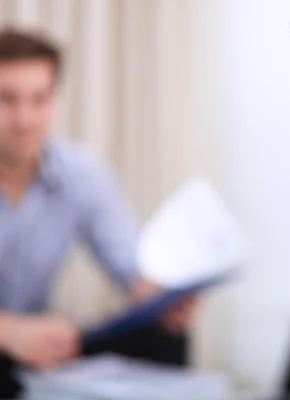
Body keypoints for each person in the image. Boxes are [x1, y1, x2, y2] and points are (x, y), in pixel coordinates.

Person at [0, 29, 198, 396]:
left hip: (35, 350)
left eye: (39, 99)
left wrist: (161, 298)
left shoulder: (81, 174)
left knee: (163, 332)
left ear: (55, 100)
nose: (25, 118)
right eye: (7, 100)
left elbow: (131, 270)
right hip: (9, 340)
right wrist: (9, 332)